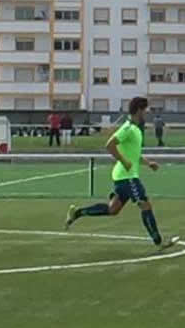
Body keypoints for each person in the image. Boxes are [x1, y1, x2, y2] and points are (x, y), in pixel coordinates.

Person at [65, 97, 178, 250]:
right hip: (127, 177)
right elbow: (110, 145)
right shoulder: (127, 128)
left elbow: (134, 154)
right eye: (145, 109)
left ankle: (77, 213)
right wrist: (124, 162)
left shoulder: (136, 130)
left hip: (124, 176)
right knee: (145, 205)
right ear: (139, 109)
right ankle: (159, 242)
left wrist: (148, 163)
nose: (147, 113)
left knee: (113, 209)